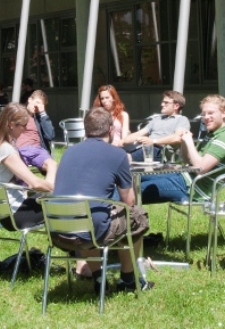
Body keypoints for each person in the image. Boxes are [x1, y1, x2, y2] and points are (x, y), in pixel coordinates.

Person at [51, 107, 153, 293]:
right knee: (137, 216)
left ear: (85, 129)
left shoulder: (68, 152)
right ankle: (128, 280)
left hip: (57, 231)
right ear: (111, 130)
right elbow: (129, 202)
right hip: (91, 231)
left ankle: (99, 279)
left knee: (88, 217)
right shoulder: (118, 155)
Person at [137, 94, 225, 205]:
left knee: (135, 190)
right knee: (135, 178)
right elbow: (187, 161)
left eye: (210, 113)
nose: (206, 117)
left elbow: (200, 169)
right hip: (185, 177)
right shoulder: (213, 134)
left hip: (193, 188)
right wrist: (184, 142)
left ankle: (130, 214)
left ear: (224, 113)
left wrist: (190, 141)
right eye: (203, 114)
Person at [0, 102, 56, 229]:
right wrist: (58, 189)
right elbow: (35, 183)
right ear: (11, 125)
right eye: (23, 125)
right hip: (15, 215)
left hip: (4, 213)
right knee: (65, 204)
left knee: (51, 199)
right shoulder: (5, 150)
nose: (25, 130)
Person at [120, 90, 191, 161]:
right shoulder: (157, 119)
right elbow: (139, 133)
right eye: (162, 102)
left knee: (125, 158)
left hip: (162, 152)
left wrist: (153, 141)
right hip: (147, 148)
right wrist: (121, 142)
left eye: (166, 103)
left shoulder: (182, 119)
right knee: (119, 152)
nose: (162, 104)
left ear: (176, 106)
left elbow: (177, 138)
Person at [14, 90, 57, 174]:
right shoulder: (18, 114)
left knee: (53, 166)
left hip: (37, 151)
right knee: (19, 174)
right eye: (37, 102)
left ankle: (49, 183)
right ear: (30, 100)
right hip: (20, 151)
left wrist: (43, 113)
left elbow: (50, 135)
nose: (37, 106)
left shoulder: (40, 119)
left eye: (41, 105)